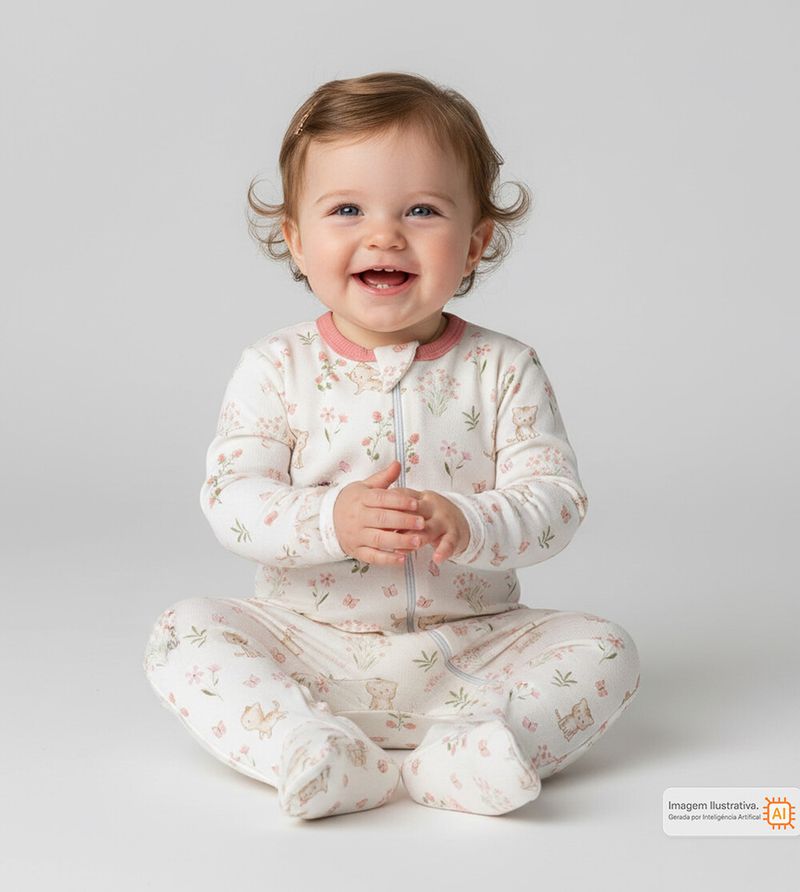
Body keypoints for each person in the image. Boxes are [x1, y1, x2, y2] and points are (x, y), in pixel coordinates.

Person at [143, 71, 640, 820]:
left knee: (606, 649)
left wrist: (472, 520)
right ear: (296, 240)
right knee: (184, 632)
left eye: (422, 210)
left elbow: (556, 502)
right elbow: (232, 498)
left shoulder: (503, 368)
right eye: (347, 209)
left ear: (475, 243)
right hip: (310, 646)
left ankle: (471, 753)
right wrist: (329, 519)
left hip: (470, 650)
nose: (384, 235)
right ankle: (309, 745)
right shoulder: (277, 366)